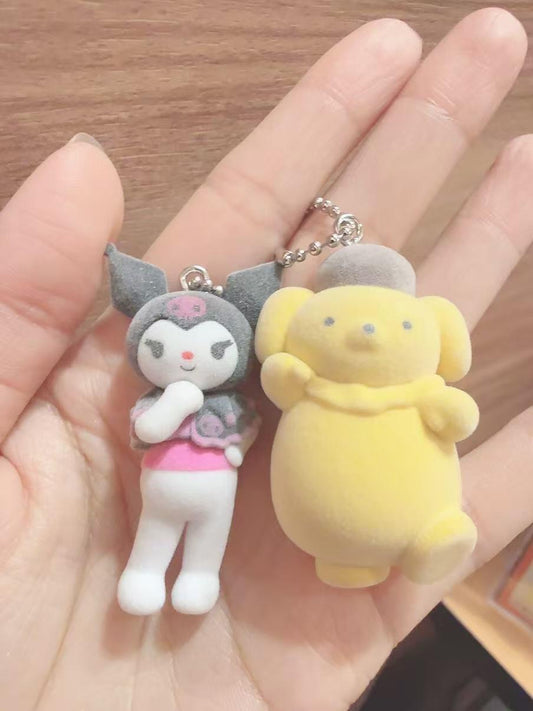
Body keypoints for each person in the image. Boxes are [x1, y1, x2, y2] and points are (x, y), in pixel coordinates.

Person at [0, 7, 531, 711]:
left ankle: (424, 537)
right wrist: (200, 407)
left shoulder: (393, 378)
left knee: (214, 539)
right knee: (165, 537)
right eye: (332, 322)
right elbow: (205, 413)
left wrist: (443, 404)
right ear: (292, 321)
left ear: (433, 330)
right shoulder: (285, 374)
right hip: (187, 488)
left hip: (224, 490)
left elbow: (447, 414)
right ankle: (186, 569)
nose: (364, 336)